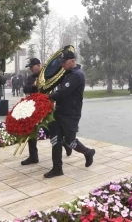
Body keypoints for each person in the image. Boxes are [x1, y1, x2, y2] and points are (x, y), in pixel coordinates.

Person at [44, 45, 95, 178]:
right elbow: (54, 83)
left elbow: (62, 92)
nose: (62, 65)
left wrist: (47, 97)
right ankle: (57, 169)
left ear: (72, 61)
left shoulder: (77, 75)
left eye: (64, 62)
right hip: (60, 111)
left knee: (70, 141)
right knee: (55, 139)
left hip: (71, 114)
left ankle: (88, 152)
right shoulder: (67, 73)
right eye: (61, 62)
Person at [21, 58, 72, 165]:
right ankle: (33, 156)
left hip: (44, 108)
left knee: (50, 132)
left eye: (33, 66)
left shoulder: (47, 75)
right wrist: (33, 85)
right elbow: (25, 89)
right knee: (31, 133)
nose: (31, 69)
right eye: (30, 67)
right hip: (32, 108)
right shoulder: (30, 77)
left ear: (39, 65)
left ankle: (65, 145)